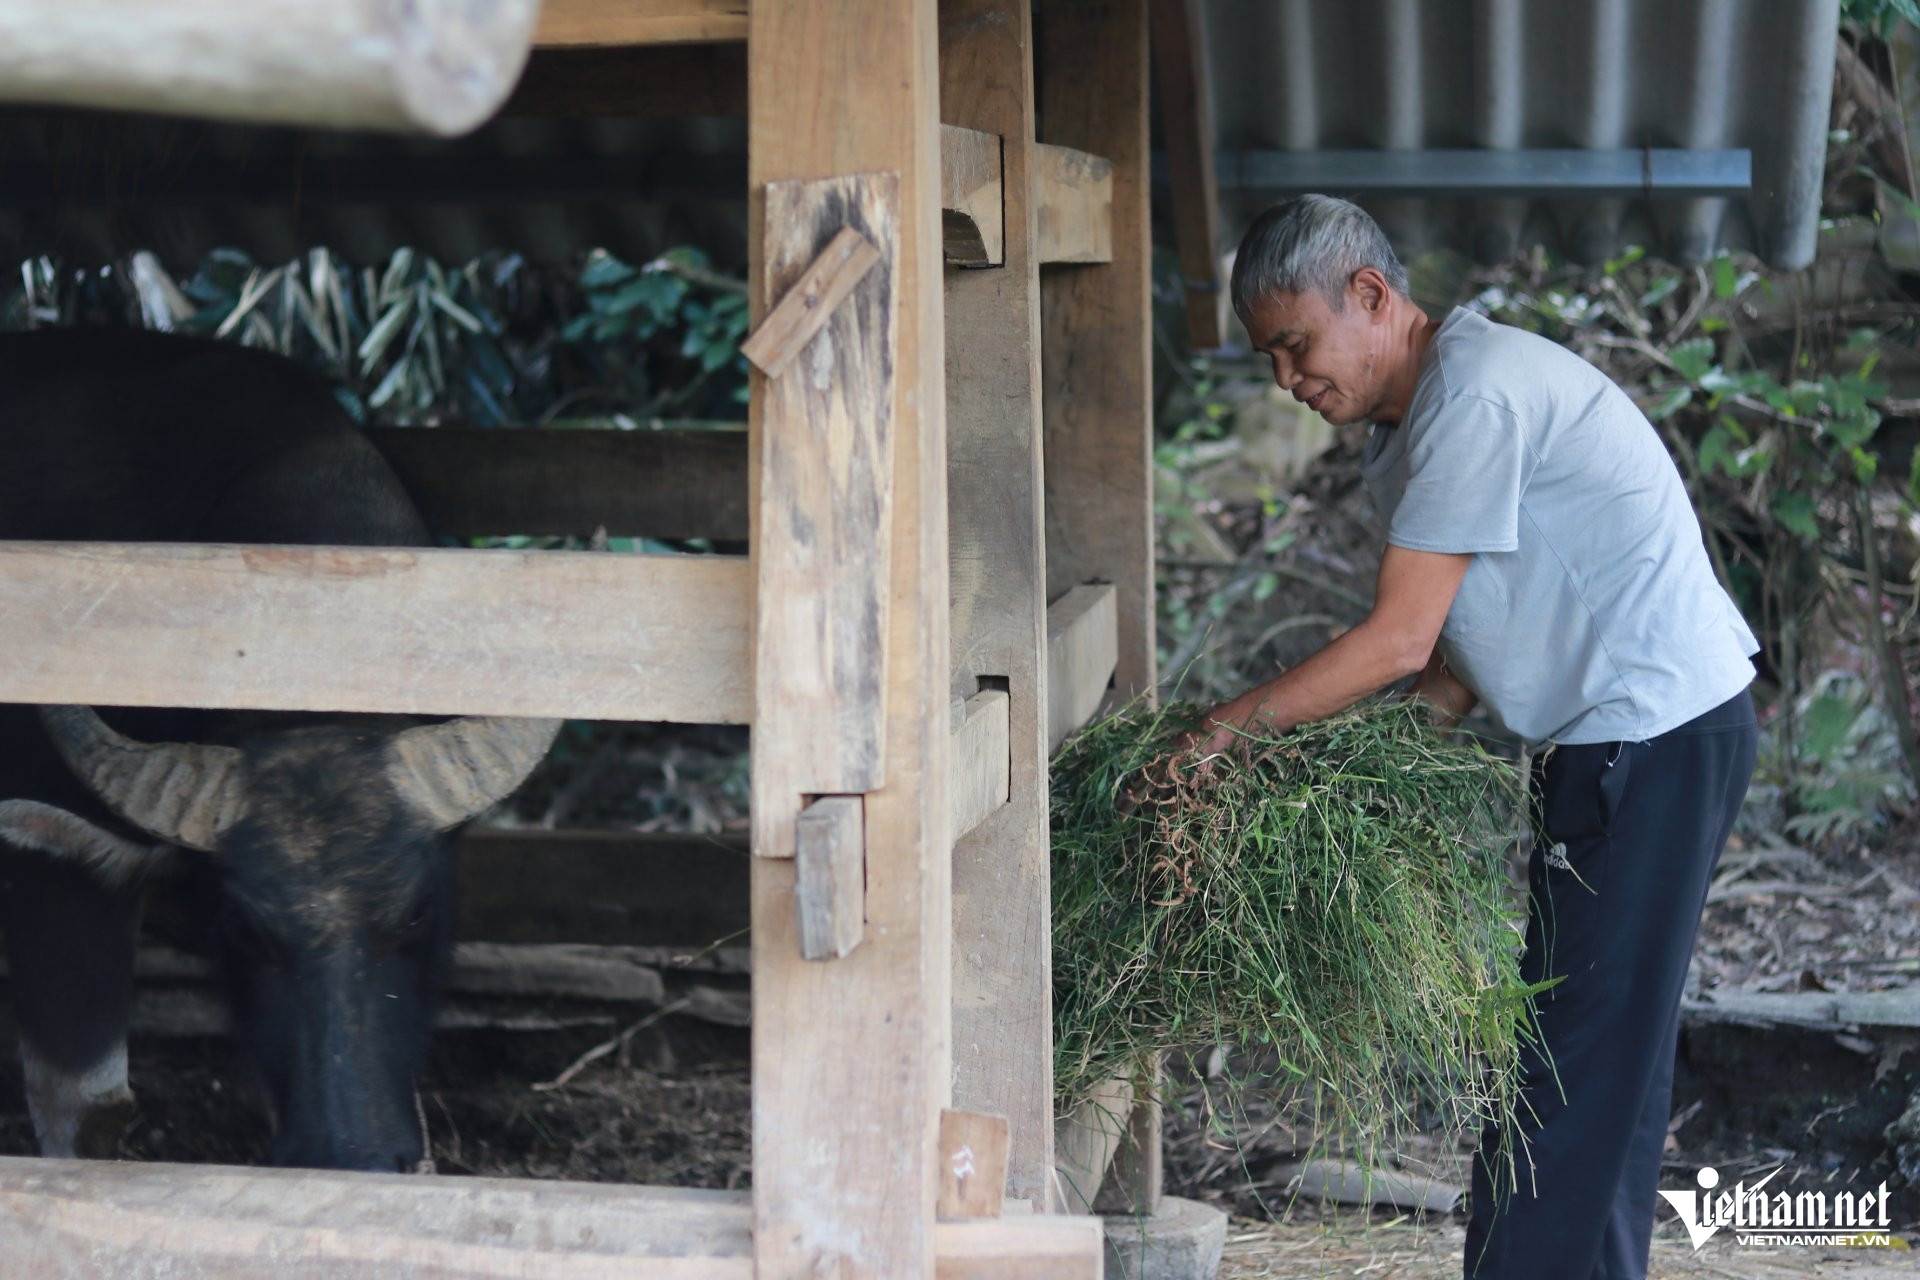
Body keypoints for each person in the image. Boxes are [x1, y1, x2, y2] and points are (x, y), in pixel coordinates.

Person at [1183, 194, 1759, 1280]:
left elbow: (1402, 637)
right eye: (1272, 359)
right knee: (1600, 1069)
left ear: (1370, 294)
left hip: (1653, 737)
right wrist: (1373, 780)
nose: (1287, 381)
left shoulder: (1474, 394)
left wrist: (1217, 738)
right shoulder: (1423, 413)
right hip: (1640, 738)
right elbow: (1448, 658)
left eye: (1295, 345)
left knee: (1558, 1078)